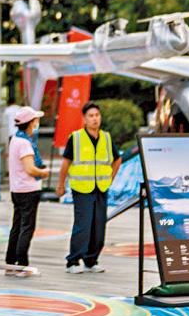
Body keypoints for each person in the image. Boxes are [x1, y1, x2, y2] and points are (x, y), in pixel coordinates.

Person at [56, 102, 120, 274]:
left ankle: (91, 261)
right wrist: (60, 185)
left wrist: (110, 178)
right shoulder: (76, 138)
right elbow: (66, 163)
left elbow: (117, 159)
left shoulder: (106, 137)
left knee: (99, 226)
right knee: (83, 225)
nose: (95, 119)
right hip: (82, 189)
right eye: (91, 116)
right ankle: (73, 262)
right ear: (84, 119)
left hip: (101, 188)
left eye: (97, 115)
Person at [6, 106, 49, 277]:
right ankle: (22, 265)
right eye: (36, 120)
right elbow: (30, 169)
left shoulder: (16, 140)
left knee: (17, 226)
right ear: (31, 123)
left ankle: (10, 264)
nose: (37, 122)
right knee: (27, 228)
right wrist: (44, 173)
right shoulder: (25, 144)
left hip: (16, 189)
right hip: (28, 190)